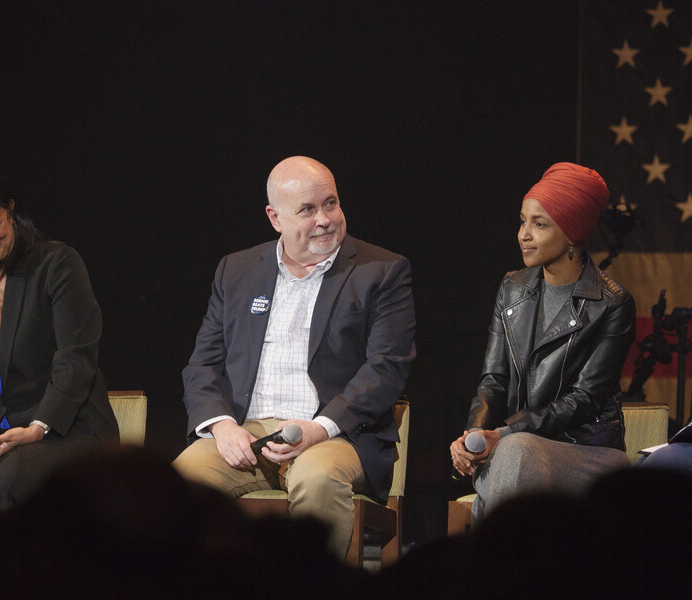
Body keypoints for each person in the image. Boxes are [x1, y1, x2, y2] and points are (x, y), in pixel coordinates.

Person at [172, 156, 416, 558]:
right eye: (307, 209)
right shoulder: (236, 270)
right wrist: (221, 427)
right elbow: (203, 363)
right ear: (275, 217)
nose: (324, 219)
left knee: (317, 479)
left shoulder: (382, 271)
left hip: (336, 434)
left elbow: (387, 368)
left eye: (331, 204)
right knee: (179, 485)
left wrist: (321, 428)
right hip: (247, 433)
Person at [0, 161, 119, 510]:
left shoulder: (56, 264)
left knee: (11, 475)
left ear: (10, 211)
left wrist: (38, 427)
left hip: (65, 430)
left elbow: (76, 361)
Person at [449, 162, 635, 522]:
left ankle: (487, 564)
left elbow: (583, 401)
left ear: (573, 234)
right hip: (515, 447)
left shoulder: (612, 304)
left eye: (540, 224)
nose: (524, 234)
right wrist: (475, 435)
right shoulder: (512, 287)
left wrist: (502, 433)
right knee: (513, 455)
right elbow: (493, 381)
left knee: (514, 454)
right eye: (522, 221)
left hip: (585, 451)